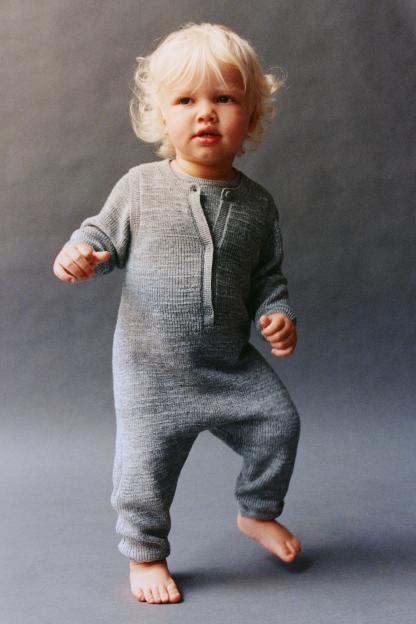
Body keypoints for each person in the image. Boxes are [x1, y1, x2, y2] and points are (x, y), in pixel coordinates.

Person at [52, 22, 302, 605]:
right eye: (186, 100)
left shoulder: (257, 205)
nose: (206, 112)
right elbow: (99, 236)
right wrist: (78, 254)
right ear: (161, 115)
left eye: (225, 98)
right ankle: (145, 553)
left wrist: (278, 313)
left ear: (252, 114)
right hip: (152, 370)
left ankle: (257, 511)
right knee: (144, 470)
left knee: (279, 423)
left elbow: (267, 277)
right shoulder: (139, 187)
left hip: (228, 365)